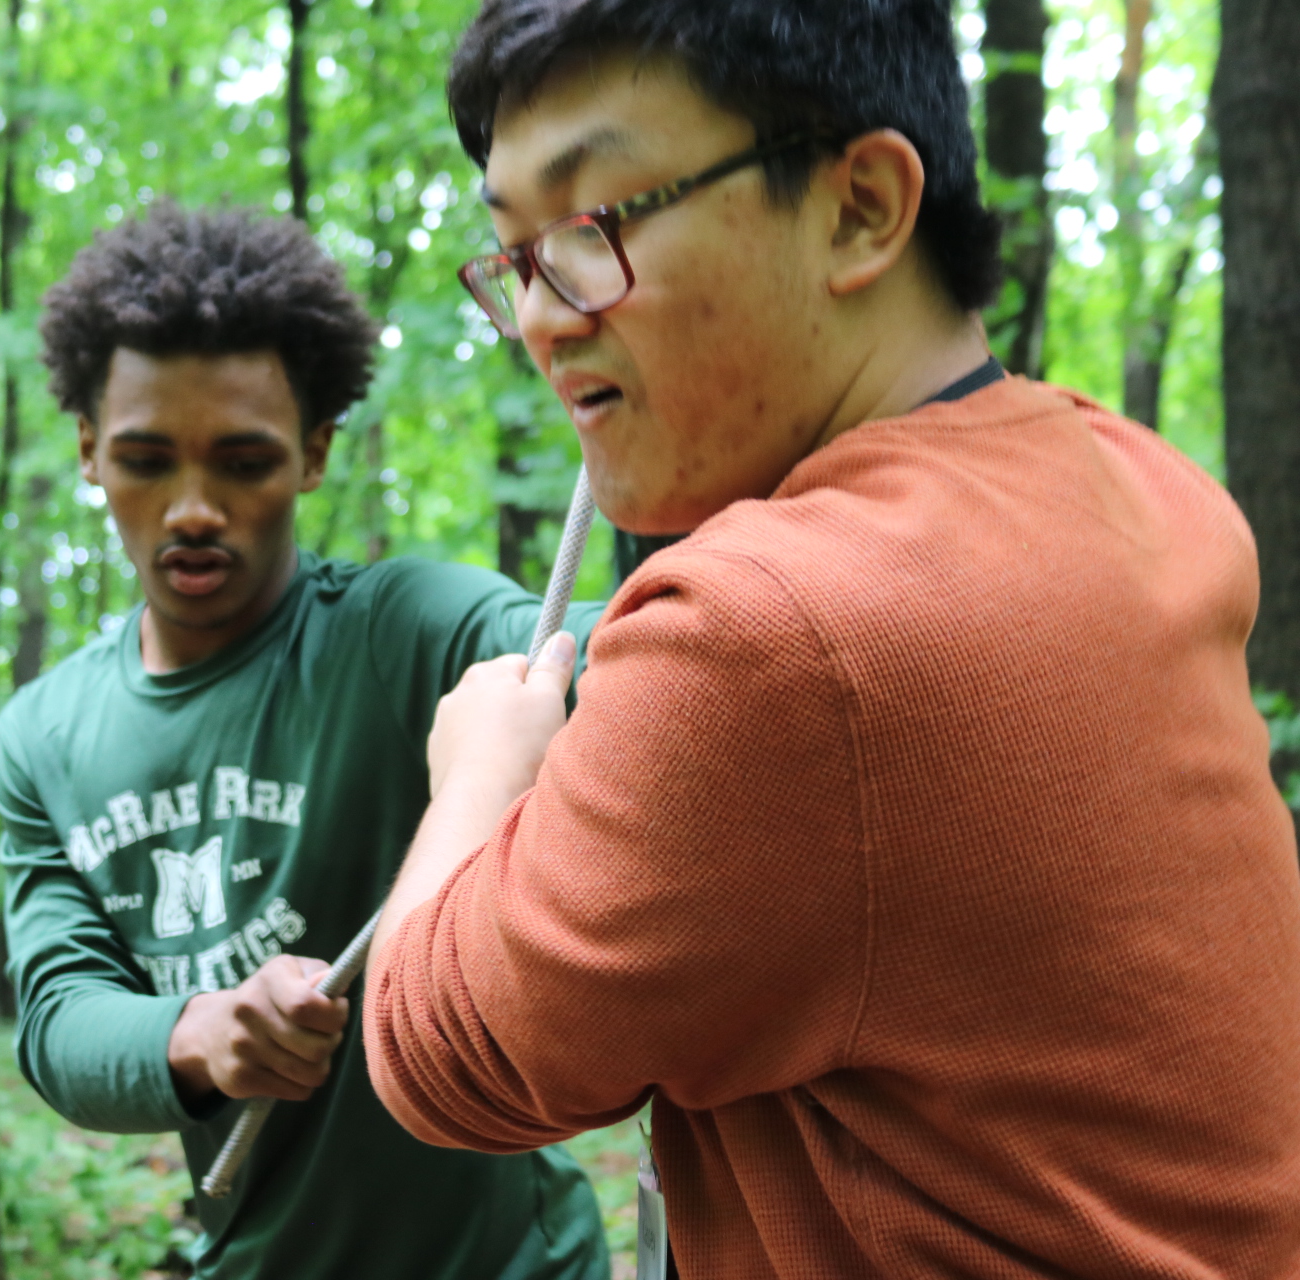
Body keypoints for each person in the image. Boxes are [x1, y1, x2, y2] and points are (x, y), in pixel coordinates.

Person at [363, 1, 1300, 1277]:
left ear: (861, 205)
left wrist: (476, 769)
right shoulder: (1139, 481)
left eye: (596, 227)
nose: (541, 317)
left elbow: (445, 1056)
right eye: (517, 256)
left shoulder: (772, 631)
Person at [0, 203, 611, 1280]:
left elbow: (639, 650)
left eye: (243, 461)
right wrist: (198, 1031)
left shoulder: (410, 631)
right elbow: (57, 1016)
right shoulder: (44, 733)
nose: (192, 508)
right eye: (145, 459)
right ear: (89, 450)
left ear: (315, 452)